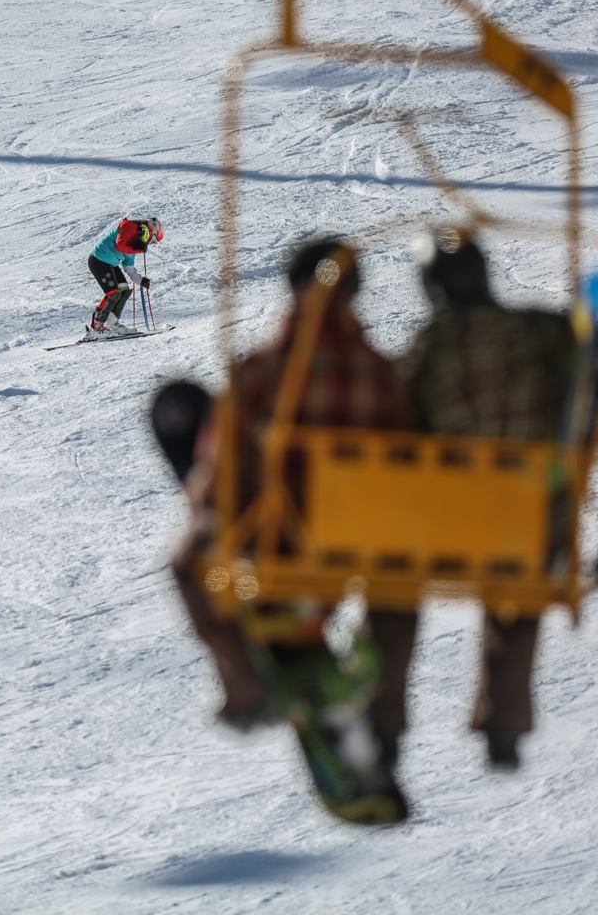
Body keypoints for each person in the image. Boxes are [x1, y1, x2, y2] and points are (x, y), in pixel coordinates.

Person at [165, 235, 416, 822]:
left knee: (186, 566)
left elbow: (218, 470)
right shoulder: (382, 375)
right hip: (354, 555)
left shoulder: (262, 370)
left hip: (274, 553)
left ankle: (246, 685)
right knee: (389, 594)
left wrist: (208, 501)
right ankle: (367, 720)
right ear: (353, 293)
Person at [399, 227, 579, 770]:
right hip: (531, 518)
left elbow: (398, 411)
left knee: (389, 592)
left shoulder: (431, 344)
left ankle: (381, 720)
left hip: (453, 519)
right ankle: (503, 723)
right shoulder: (537, 330)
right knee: (516, 601)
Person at [86, 215, 161, 334]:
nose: (148, 244)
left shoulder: (136, 242)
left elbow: (128, 266)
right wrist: (138, 249)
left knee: (124, 290)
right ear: (148, 233)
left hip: (110, 263)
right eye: (151, 241)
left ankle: (112, 324)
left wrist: (141, 280)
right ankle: (96, 326)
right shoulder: (130, 227)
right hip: (99, 260)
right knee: (112, 292)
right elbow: (120, 245)